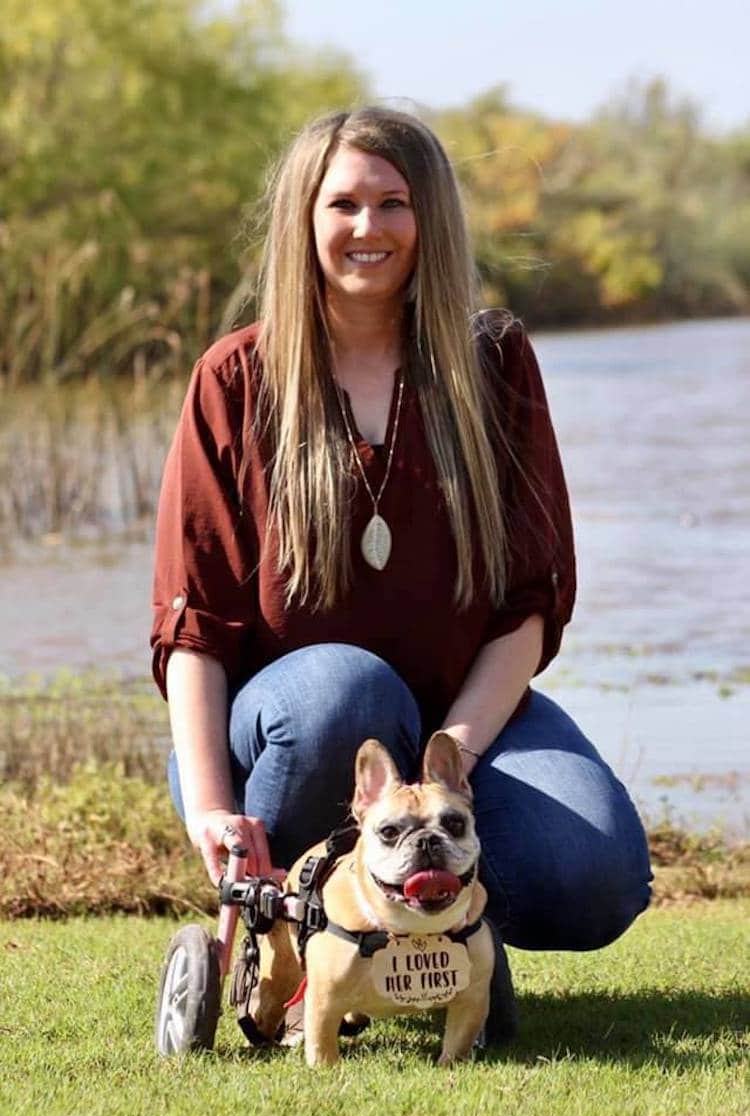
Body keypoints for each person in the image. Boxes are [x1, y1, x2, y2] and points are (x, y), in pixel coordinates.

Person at [151, 106, 652, 957]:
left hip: (462, 725)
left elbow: (528, 605)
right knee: (346, 688)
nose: (367, 227)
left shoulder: (493, 367)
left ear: (431, 218)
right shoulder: (234, 378)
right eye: (342, 204)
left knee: (591, 869)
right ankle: (294, 923)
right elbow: (196, 622)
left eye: (394, 202)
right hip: (294, 734)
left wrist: (449, 754)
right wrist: (209, 808)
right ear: (303, 219)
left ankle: (433, 946)